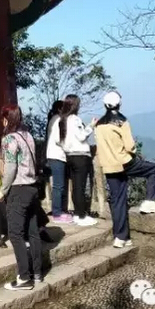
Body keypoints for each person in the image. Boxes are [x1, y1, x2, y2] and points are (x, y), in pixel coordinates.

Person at [95, 91, 155, 248]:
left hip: (108, 166)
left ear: (105, 105)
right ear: (119, 104)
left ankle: (121, 237)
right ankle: (150, 201)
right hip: (124, 162)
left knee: (118, 200)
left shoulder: (99, 124)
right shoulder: (121, 121)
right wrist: (133, 153)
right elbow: (130, 146)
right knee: (154, 169)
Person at [0, 104, 42, 291]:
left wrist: (2, 190)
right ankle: (37, 273)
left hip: (18, 189)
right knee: (33, 231)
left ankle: (24, 278)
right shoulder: (27, 135)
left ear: (6, 119)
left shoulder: (9, 138)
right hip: (32, 187)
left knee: (15, 234)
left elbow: (11, 168)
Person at [59, 95, 98, 227]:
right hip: (80, 156)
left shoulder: (62, 120)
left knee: (75, 187)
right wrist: (91, 126)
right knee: (80, 187)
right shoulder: (75, 119)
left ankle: (77, 214)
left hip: (69, 156)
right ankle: (81, 215)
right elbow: (81, 136)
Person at [46, 100, 72, 224]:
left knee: (59, 185)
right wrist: (69, 147)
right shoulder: (58, 120)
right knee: (58, 185)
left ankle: (60, 210)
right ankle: (57, 212)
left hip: (55, 155)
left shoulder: (54, 119)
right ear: (60, 109)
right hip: (57, 156)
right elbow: (58, 139)